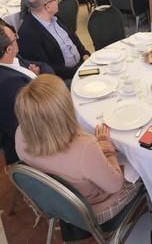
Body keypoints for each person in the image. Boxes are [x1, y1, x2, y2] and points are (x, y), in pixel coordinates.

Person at [14, 74, 142, 223]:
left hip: (56, 204)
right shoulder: (84, 147)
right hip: (91, 211)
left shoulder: (20, 133)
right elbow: (115, 185)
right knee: (142, 166)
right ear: (65, 109)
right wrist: (105, 146)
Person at [0, 22, 51, 163]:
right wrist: (40, 79)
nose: (17, 38)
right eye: (14, 37)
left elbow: (43, 66)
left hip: (40, 108)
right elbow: (40, 116)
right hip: (36, 137)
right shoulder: (7, 84)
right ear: (9, 49)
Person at [17, 0, 90, 80]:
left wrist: (84, 54)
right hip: (65, 78)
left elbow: (72, 37)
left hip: (82, 65)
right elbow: (47, 68)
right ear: (47, 7)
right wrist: (79, 71)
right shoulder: (28, 34)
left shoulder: (55, 17)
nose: (58, 1)